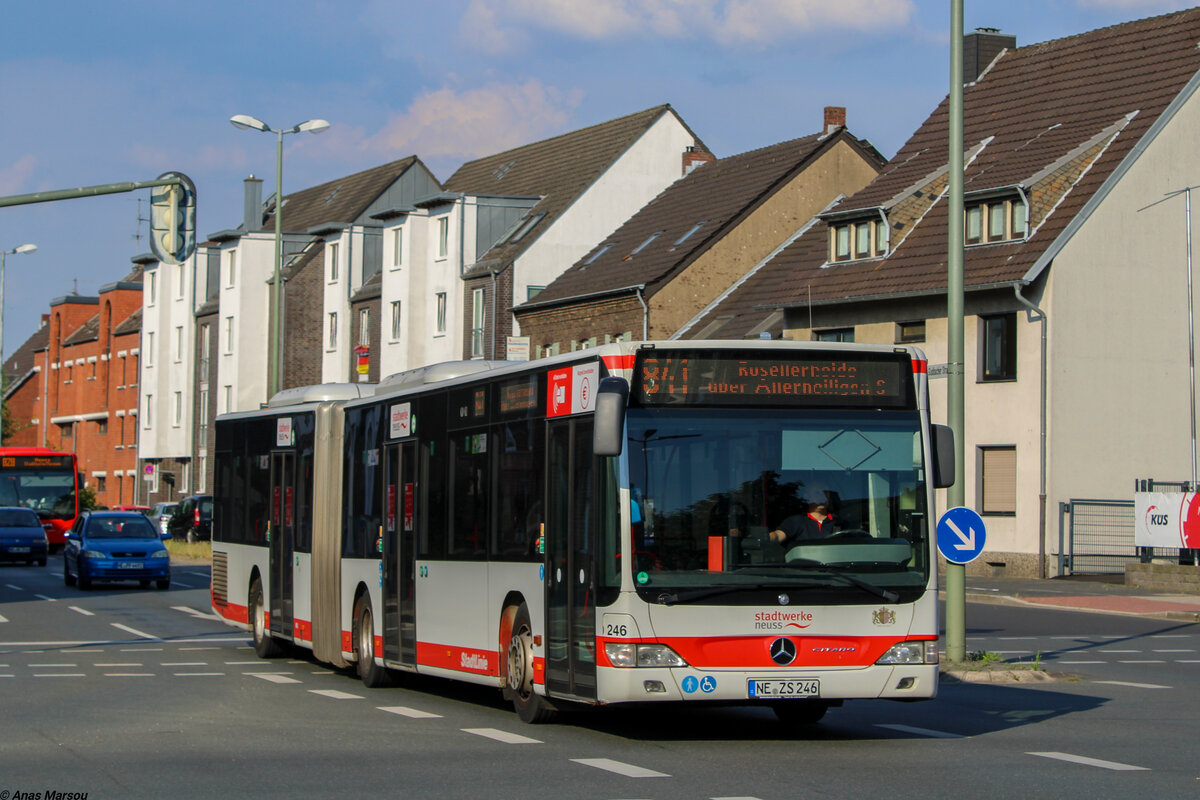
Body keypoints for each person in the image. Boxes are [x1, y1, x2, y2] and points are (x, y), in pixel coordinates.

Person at [769, 485, 837, 549]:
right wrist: (766, 538)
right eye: (817, 493)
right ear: (807, 496)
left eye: (825, 492)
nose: (822, 496)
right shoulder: (796, 521)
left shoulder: (839, 522)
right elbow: (778, 535)